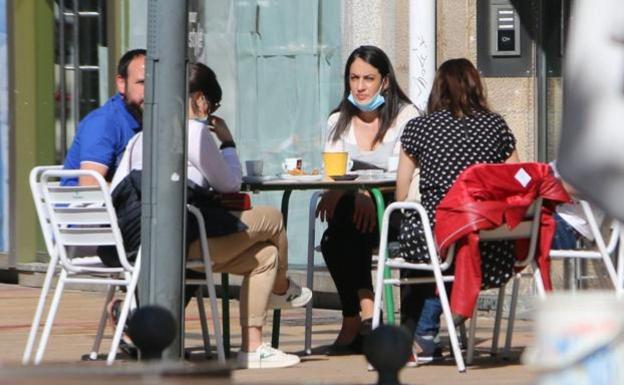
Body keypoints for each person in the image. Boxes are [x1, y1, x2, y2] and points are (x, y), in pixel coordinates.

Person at [111, 62, 311, 369]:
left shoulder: (141, 136)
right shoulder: (192, 131)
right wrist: (228, 142)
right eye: (213, 104)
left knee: (267, 255)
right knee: (272, 218)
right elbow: (230, 183)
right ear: (201, 100)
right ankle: (281, 289)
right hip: (182, 243)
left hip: (142, 247)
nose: (211, 110)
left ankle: (254, 348)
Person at [396, 58, 519, 362]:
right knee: (441, 248)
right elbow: (516, 177)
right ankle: (429, 331)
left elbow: (401, 191)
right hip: (492, 238)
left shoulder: (420, 127)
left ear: (437, 89)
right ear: (477, 86)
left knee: (413, 238)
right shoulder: (496, 124)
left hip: (440, 234)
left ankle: (419, 334)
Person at [316, 45, 419, 355]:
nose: (360, 87)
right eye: (354, 78)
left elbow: (401, 171)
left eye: (368, 79)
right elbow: (332, 170)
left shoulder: (406, 116)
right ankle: (366, 313)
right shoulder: (339, 120)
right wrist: (353, 191)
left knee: (338, 235)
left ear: (384, 82)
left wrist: (359, 189)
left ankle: (357, 320)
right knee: (341, 227)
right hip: (355, 212)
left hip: (397, 208)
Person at [62, 49, 146, 186]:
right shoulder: (104, 123)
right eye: (142, 82)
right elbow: (90, 185)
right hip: (86, 205)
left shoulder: (146, 118)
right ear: (121, 84)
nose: (150, 90)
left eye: (156, 83)